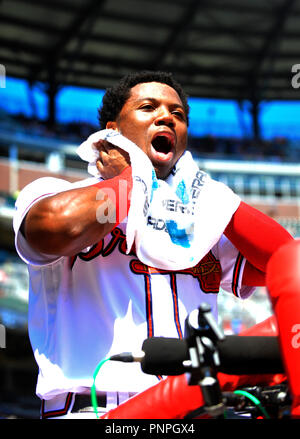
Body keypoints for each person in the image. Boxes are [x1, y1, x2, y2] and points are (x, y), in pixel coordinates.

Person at [13, 71, 293, 419]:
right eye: (148, 107)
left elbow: (286, 264)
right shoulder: (52, 191)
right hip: (93, 409)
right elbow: (56, 228)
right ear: (112, 130)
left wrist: (213, 198)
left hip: (195, 407)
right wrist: (133, 179)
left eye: (178, 114)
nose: (166, 117)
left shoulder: (203, 216)